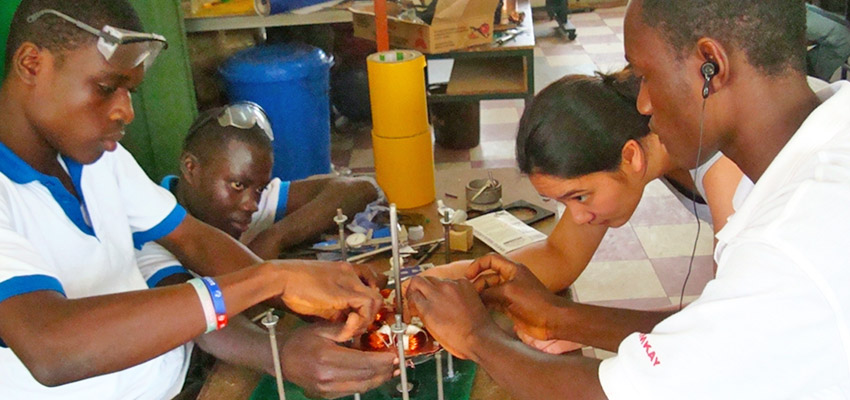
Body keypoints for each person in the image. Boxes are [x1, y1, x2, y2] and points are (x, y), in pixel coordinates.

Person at [408, 0, 850, 398]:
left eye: (647, 76)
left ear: (710, 66)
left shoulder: (784, 246)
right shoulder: (829, 132)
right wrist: (553, 315)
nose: (640, 105)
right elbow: (713, 334)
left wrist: (478, 338)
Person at [0, 1, 393, 398]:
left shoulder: (101, 159)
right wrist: (270, 278)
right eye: (105, 88)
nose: (125, 111)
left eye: (129, 92)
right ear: (32, 64)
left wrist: (303, 299)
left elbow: (192, 238)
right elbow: (50, 348)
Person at [413, 69, 747, 355]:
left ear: (631, 157)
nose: (577, 217)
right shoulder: (622, 122)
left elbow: (728, 324)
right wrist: (443, 280)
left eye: (580, 197)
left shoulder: (723, 168)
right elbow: (559, 255)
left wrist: (575, 324)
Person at [153, 102, 381, 259]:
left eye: (260, 188)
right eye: (237, 185)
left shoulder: (241, 207)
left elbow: (360, 189)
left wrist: (274, 237)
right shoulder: (152, 231)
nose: (252, 204)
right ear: (191, 168)